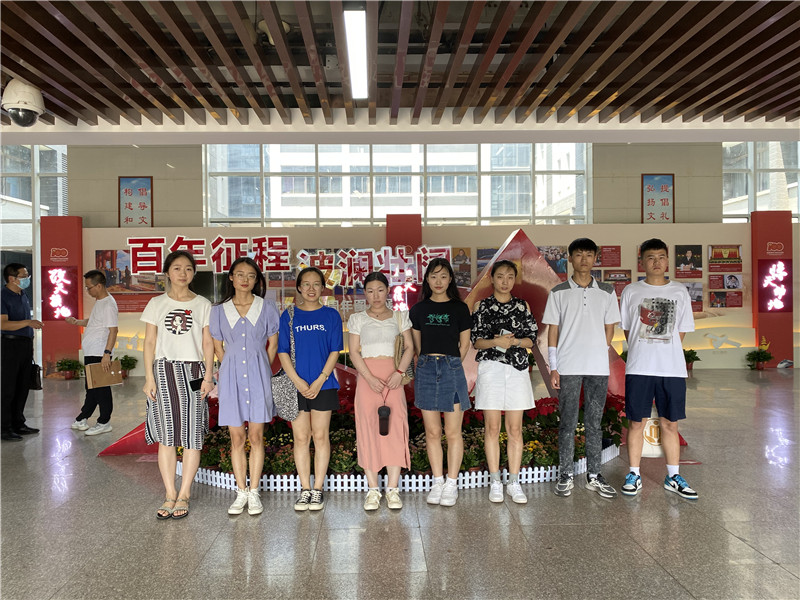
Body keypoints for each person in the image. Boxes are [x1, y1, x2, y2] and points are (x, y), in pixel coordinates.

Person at [620, 238, 698, 500]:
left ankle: (673, 476)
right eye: (650, 257)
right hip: (639, 367)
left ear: (667, 261)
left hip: (671, 369)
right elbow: (628, 329)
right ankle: (634, 474)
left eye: (661, 257)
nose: (656, 262)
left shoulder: (679, 291)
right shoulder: (631, 291)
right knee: (636, 423)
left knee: (670, 423)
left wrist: (666, 348)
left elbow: (682, 330)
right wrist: (646, 347)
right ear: (642, 261)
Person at [543, 238, 621, 499]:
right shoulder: (558, 292)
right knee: (567, 421)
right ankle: (565, 474)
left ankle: (594, 475)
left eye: (589, 254)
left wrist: (600, 349)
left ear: (595, 258)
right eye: (579, 254)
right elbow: (553, 331)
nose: (584, 259)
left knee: (594, 423)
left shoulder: (607, 292)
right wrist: (554, 367)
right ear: (570, 258)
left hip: (597, 367)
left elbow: (610, 327)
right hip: (568, 365)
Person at [141, 250, 214, 519]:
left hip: (194, 370)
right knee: (167, 434)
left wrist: (208, 376)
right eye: (177, 268)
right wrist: (149, 377)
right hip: (164, 370)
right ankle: (170, 493)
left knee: (193, 433)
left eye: (188, 269)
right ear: (167, 273)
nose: (183, 273)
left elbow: (208, 343)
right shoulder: (156, 303)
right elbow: (150, 342)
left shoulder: (203, 304)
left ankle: (184, 494)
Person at [210, 257, 279, 516]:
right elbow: (217, 347)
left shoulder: (266, 307)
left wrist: (262, 366)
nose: (245, 280)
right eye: (240, 274)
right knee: (237, 438)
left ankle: (254, 491)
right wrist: (228, 367)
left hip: (259, 376)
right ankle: (241, 491)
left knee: (256, 436)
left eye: (251, 275)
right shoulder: (219, 310)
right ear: (231, 277)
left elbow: (273, 343)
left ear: (257, 280)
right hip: (230, 378)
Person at [471, 260, 537, 504]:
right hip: (491, 369)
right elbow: (476, 342)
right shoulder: (482, 306)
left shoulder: (522, 305)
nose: (505, 281)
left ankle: (514, 482)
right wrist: (496, 342)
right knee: (492, 427)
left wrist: (515, 342)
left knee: (515, 429)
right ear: (492, 278)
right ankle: (495, 481)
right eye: (500, 276)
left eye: (510, 276)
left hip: (517, 369)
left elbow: (531, 338)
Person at [278, 267, 343, 512]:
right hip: (296, 386)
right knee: (301, 438)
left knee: (321, 435)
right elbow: (282, 351)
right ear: (299, 287)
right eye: (306, 284)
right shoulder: (289, 315)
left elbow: (335, 351)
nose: (311, 288)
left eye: (316, 284)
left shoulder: (331, 315)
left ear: (323, 288)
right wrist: (297, 381)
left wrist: (319, 380)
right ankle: (305, 489)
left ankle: (317, 489)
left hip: (324, 385)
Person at [347, 272, 413, 511]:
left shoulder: (400, 316)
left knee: (395, 427)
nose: (375, 295)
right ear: (365, 293)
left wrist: (399, 372)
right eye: (370, 291)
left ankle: (393, 489)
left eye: (380, 290)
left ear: (388, 291)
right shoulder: (357, 319)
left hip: (394, 377)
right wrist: (368, 378)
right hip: (368, 378)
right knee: (368, 429)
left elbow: (409, 347)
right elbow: (354, 351)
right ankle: (373, 489)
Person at [410, 258, 472, 507]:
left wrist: (452, 364)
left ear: (450, 280)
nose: (438, 281)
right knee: (433, 432)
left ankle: (451, 483)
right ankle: (437, 481)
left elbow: (464, 344)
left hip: (451, 368)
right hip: (426, 368)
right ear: (427, 279)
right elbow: (417, 347)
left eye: (443, 276)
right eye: (434, 276)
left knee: (453, 431)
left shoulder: (460, 308)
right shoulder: (418, 310)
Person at [66, 270, 119, 436]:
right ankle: (82, 418)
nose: (87, 291)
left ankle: (104, 422)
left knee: (101, 389)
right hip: (92, 351)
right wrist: (77, 322)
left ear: (99, 285)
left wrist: (106, 354)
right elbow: (94, 322)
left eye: (89, 287)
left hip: (99, 353)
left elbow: (113, 330)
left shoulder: (109, 304)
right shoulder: (100, 302)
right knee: (92, 388)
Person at [1, 263, 42, 441]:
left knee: (22, 386)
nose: (27, 279)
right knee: (8, 387)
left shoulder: (22, 294)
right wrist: (27, 323)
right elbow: (3, 324)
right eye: (24, 276)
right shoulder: (3, 296)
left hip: (25, 345)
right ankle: (4, 427)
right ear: (12, 278)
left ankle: (18, 423)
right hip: (9, 346)